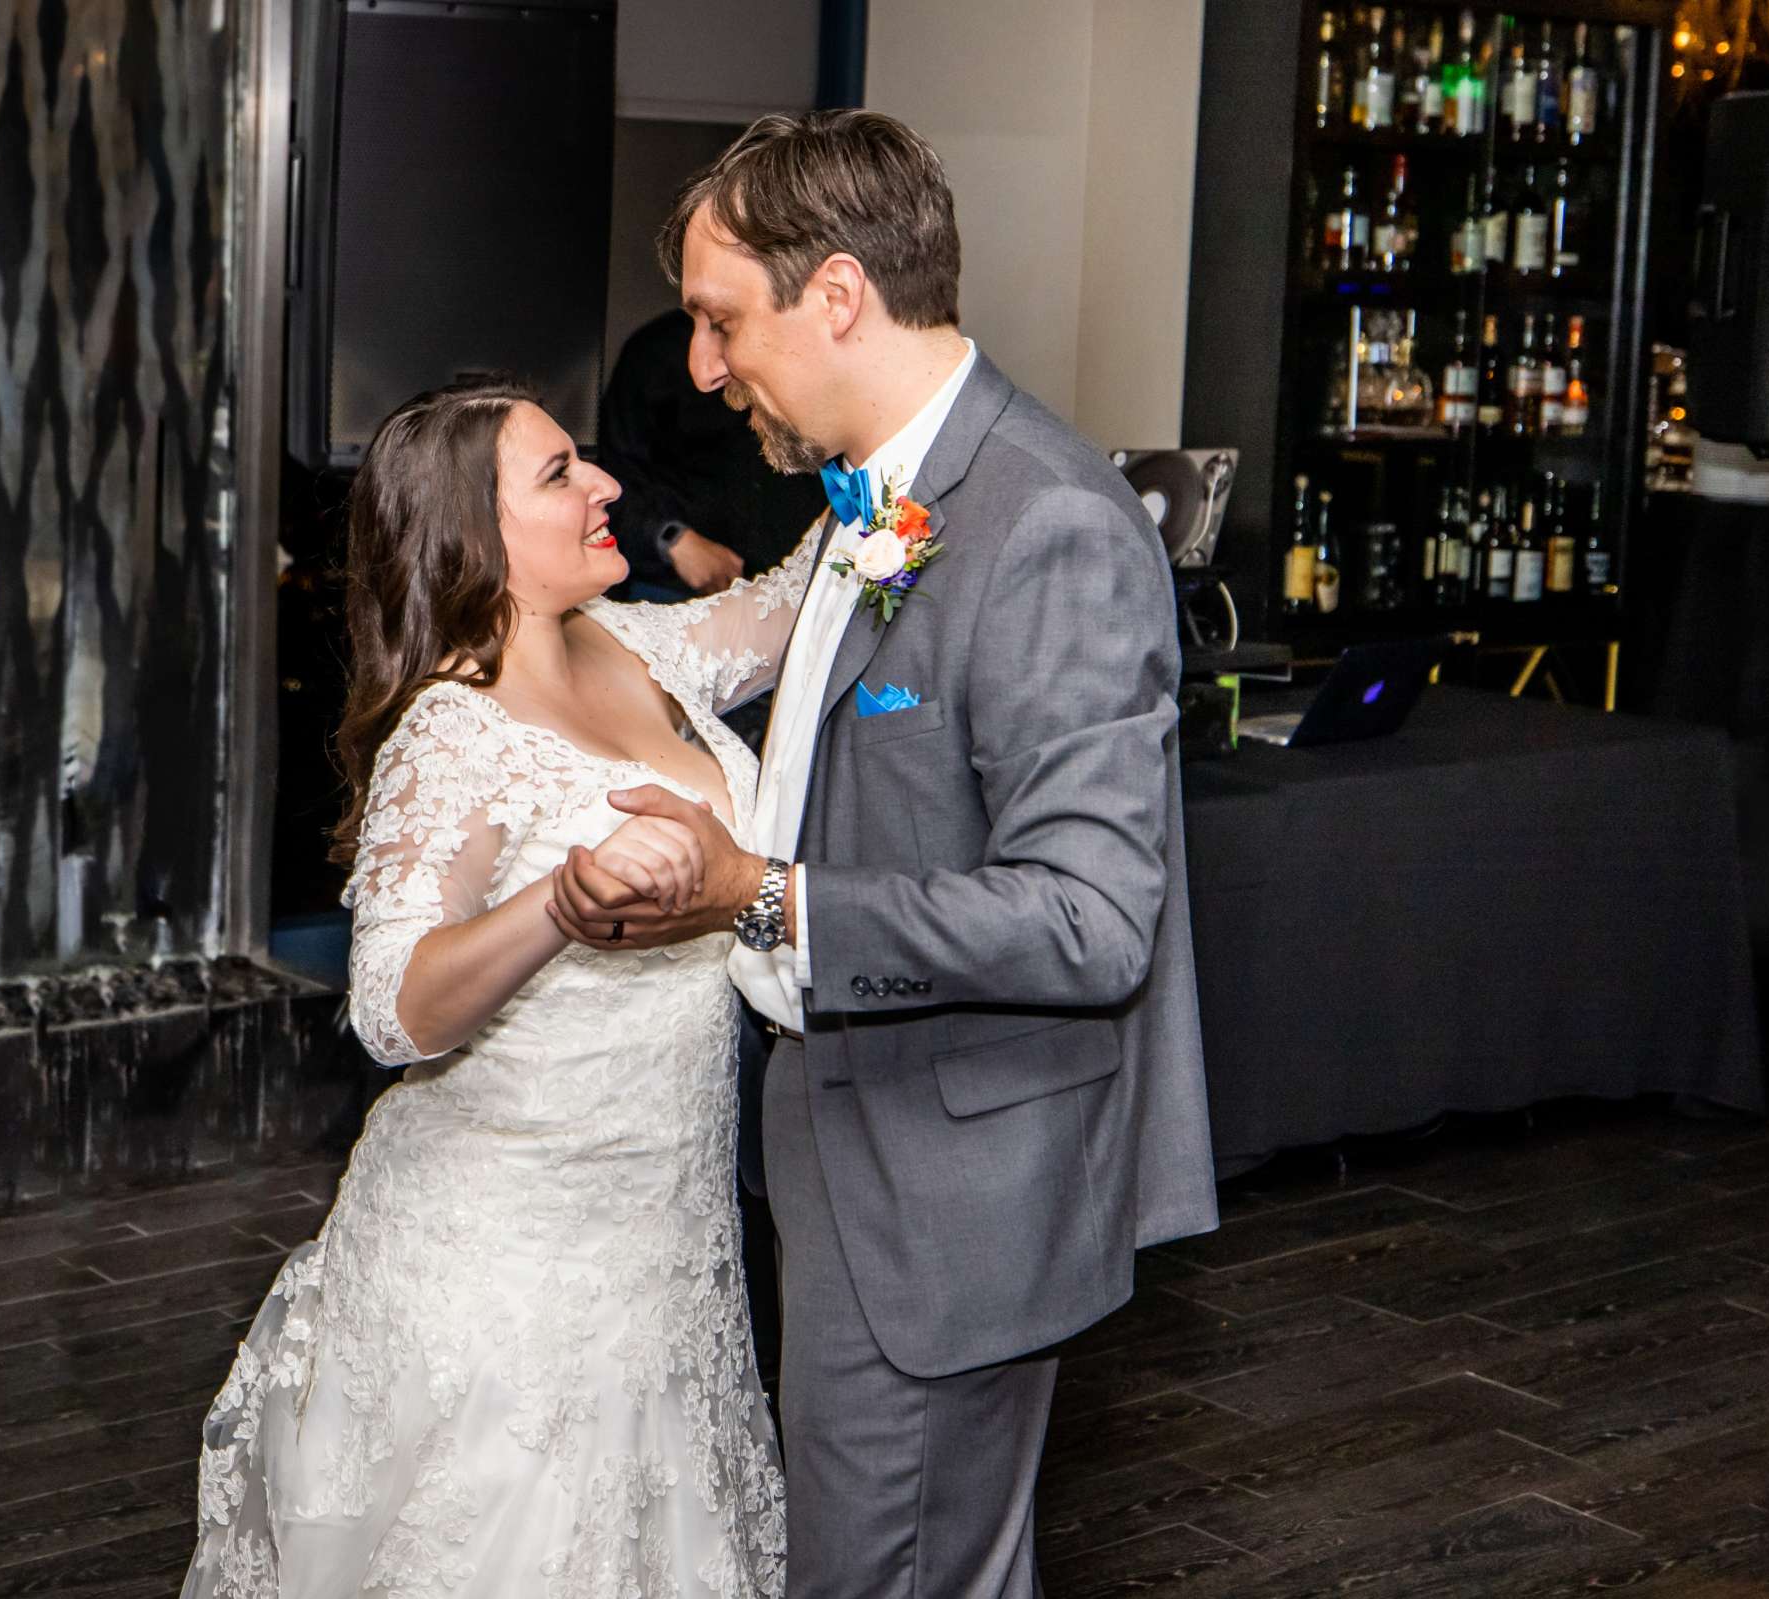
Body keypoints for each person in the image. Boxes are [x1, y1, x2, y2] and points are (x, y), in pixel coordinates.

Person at [549, 110, 1221, 1598]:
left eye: (725, 323)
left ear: (837, 295)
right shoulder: (884, 497)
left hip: (947, 1182)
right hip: (851, 1127)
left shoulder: (1044, 524)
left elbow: (1093, 915)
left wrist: (763, 894)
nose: (705, 369)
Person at [180, 380, 805, 1598]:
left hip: (668, 1243)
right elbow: (391, 1008)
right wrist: (559, 907)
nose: (606, 485)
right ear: (476, 535)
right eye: (561, 473)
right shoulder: (450, 734)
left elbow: (792, 609)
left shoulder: (638, 639)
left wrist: (889, 465)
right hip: (505, 1267)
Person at [599, 307, 831, 602]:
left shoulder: (805, 349)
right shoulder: (656, 352)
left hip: (796, 585)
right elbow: (613, 479)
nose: (706, 371)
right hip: (679, 592)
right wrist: (670, 537)